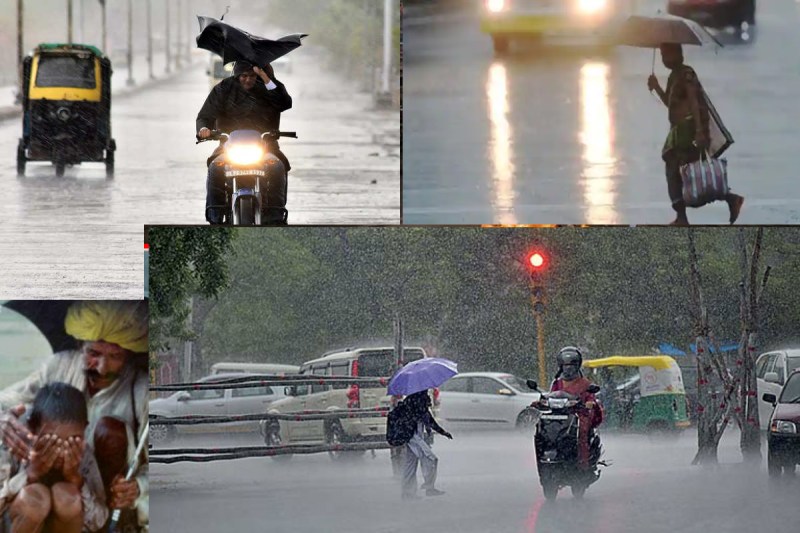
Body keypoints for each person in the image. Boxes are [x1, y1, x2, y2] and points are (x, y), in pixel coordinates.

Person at [0, 301, 148, 531]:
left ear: (129, 354)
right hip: (32, 486)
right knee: (34, 501)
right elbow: (7, 401)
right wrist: (4, 420)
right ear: (80, 344)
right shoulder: (58, 366)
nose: (101, 368)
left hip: (91, 497)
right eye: (93, 353)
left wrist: (138, 486)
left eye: (115, 356)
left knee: (110, 431)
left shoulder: (140, 390)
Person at [647, 43, 745, 226]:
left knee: (688, 172)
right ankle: (727, 199)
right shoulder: (673, 76)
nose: (663, 59)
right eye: (661, 55)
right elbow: (671, 104)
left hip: (689, 130)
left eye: (665, 54)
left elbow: (694, 101)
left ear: (677, 53)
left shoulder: (686, 74)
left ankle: (723, 201)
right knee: (680, 171)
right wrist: (657, 87)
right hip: (678, 131)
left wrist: (700, 131)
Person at [1, 383, 108, 533]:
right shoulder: (14, 447)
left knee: (67, 498)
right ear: (32, 428)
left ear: (85, 429)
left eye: (72, 440)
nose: (61, 451)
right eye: (51, 440)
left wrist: (75, 479)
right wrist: (30, 475)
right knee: (34, 500)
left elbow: (99, 521)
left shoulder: (83, 454)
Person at [197, 60, 293, 224]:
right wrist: (204, 129)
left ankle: (275, 217)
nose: (248, 80)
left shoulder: (269, 86)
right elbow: (205, 115)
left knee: (277, 166)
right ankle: (215, 217)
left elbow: (285, 103)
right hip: (228, 147)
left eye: (252, 76)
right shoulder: (223, 89)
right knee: (215, 167)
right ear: (237, 75)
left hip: (266, 146)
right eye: (244, 76)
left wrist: (265, 76)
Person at [550, 347, 603, 470]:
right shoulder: (556, 383)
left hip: (578, 414)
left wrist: (590, 402)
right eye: (565, 365)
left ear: (577, 366)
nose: (568, 368)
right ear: (561, 366)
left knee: (582, 431)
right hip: (559, 415)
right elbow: (551, 395)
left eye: (571, 365)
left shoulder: (585, 383)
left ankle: (582, 464)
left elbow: (591, 398)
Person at [400, 390, 453, 500]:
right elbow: (427, 418)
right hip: (413, 437)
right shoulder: (416, 400)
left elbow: (427, 419)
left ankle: (408, 492)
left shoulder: (412, 399)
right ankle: (428, 487)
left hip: (411, 435)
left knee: (410, 464)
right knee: (431, 459)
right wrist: (442, 432)